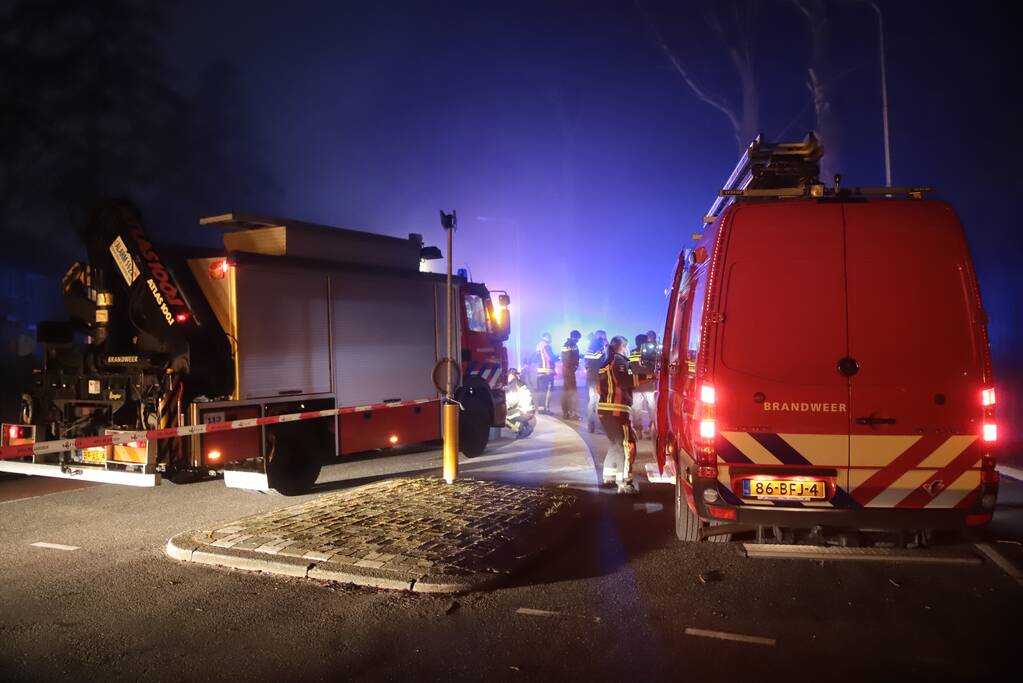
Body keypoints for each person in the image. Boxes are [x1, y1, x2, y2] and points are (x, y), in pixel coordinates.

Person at [598, 336, 638, 494]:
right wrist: (648, 376)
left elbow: (598, 388)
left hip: (604, 410)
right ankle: (625, 483)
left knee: (615, 443)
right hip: (618, 410)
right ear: (623, 347)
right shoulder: (620, 361)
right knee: (627, 445)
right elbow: (626, 380)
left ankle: (608, 478)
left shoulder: (604, 363)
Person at [629, 333, 657, 438]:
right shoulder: (651, 353)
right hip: (649, 385)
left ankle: (638, 432)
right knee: (652, 408)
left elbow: (629, 369)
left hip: (636, 385)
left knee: (636, 408)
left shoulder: (632, 353)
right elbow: (655, 367)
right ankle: (652, 429)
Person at [583, 329, 608, 433]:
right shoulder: (600, 347)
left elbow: (587, 363)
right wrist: (606, 345)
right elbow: (604, 361)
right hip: (598, 377)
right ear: (602, 337)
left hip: (591, 376)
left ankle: (591, 425)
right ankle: (600, 425)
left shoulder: (589, 346)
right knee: (598, 401)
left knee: (592, 400)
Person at [560, 330, 582, 420]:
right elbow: (570, 358)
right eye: (578, 338)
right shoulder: (572, 345)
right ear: (575, 337)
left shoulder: (566, 344)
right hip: (569, 371)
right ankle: (573, 413)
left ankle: (566, 413)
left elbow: (567, 357)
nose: (578, 340)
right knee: (572, 392)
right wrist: (573, 368)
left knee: (566, 392)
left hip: (566, 371)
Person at [535, 332, 556, 414]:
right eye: (549, 337)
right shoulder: (546, 346)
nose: (550, 339)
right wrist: (557, 357)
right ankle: (546, 409)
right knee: (548, 391)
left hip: (540, 371)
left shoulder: (538, 346)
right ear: (545, 337)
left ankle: (540, 409)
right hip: (547, 371)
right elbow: (550, 358)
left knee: (541, 390)